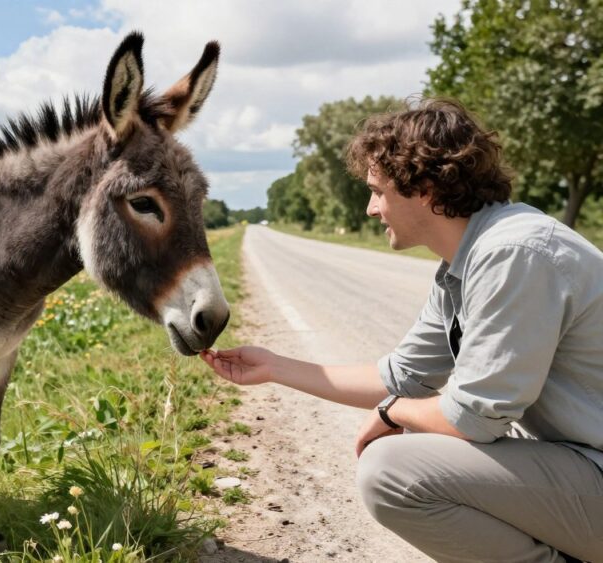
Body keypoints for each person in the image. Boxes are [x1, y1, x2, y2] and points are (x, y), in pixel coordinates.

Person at [200, 98, 603, 562]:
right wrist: (274, 367)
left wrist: (394, 413)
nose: (372, 208)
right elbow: (403, 375)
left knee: (392, 472)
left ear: (426, 189)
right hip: (582, 465)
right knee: (420, 445)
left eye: (377, 191)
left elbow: (473, 418)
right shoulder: (465, 264)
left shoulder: (514, 254)